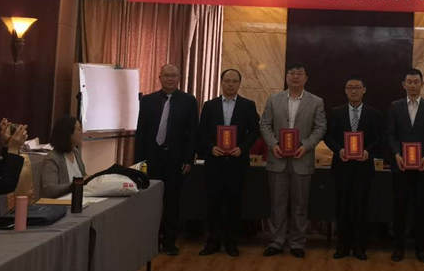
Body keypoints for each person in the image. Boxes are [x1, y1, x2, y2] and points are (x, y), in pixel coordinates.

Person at [259, 63, 326, 258]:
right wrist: (273, 145)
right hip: (277, 158)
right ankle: (276, 241)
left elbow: (320, 127)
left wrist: (306, 145)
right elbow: (265, 125)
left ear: (306, 78)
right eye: (292, 73)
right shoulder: (274, 99)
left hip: (302, 159)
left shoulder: (316, 102)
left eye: (299, 74)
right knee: (277, 204)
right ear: (286, 77)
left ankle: (297, 243)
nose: (295, 77)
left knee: (300, 205)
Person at [134, 63, 198, 256]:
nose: (170, 79)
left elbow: (192, 133)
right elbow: (141, 132)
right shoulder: (147, 101)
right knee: (151, 201)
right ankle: (151, 240)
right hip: (152, 158)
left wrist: (189, 159)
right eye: (167, 75)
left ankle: (169, 242)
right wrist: (139, 161)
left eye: (174, 76)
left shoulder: (189, 101)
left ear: (179, 78)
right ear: (160, 78)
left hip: (176, 160)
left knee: (172, 202)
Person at [196, 69, 259, 257]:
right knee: (212, 203)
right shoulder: (210, 105)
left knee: (234, 203)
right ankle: (212, 242)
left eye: (234, 81)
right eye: (227, 80)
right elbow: (202, 132)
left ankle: (231, 242)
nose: (230, 84)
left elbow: (254, 131)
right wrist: (210, 148)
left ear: (239, 83)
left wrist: (242, 148)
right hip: (214, 162)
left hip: (237, 162)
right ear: (221, 82)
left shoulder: (248, 105)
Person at [324, 76, 382, 260]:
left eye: (357, 87)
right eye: (350, 87)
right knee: (342, 207)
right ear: (345, 91)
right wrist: (339, 150)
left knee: (361, 208)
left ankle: (360, 247)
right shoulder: (336, 112)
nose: (354, 90)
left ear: (364, 90)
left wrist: (368, 152)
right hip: (342, 167)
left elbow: (380, 139)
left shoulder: (374, 114)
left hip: (364, 168)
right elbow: (328, 136)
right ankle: (342, 246)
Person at [388, 68, 424, 263]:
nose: (412, 85)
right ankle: (398, 248)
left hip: (423, 167)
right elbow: (391, 135)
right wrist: (396, 154)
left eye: (416, 82)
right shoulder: (395, 107)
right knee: (399, 208)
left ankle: (421, 249)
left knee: (421, 208)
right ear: (403, 85)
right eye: (409, 82)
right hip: (401, 167)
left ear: (422, 84)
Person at [41, 115, 87, 198]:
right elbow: (49, 190)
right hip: (63, 202)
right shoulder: (52, 158)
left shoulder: (75, 152)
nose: (82, 133)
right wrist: (75, 185)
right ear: (68, 133)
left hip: (80, 197)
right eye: (79, 129)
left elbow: (83, 176)